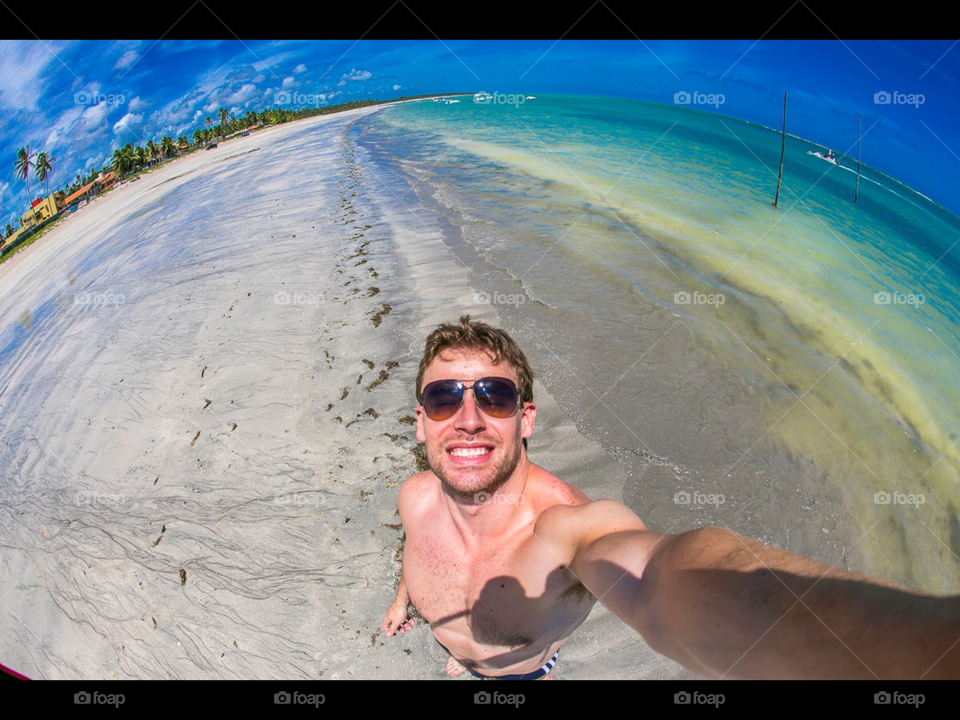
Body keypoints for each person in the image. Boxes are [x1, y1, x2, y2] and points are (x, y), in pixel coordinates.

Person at [382, 315, 960, 680]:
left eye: (494, 396)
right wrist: (403, 599)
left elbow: (661, 579)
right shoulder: (416, 495)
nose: (468, 419)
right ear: (420, 424)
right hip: (458, 657)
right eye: (442, 400)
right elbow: (420, 548)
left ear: (526, 418)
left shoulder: (562, 530)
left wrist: (914, 650)